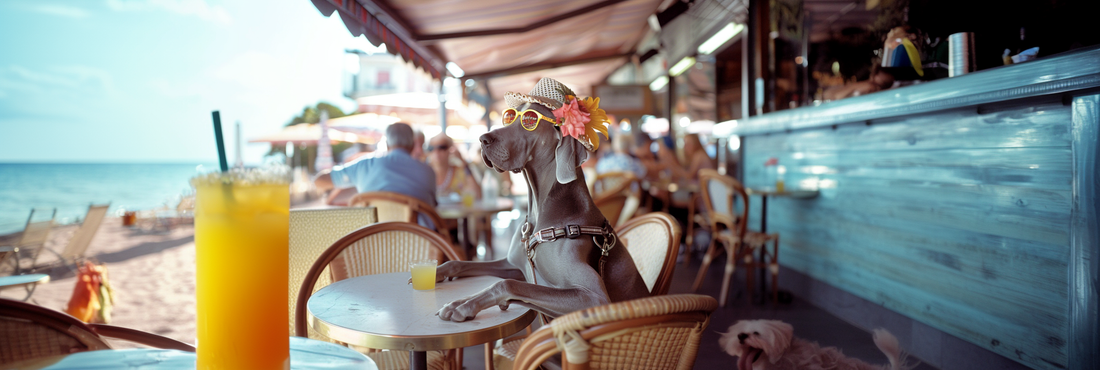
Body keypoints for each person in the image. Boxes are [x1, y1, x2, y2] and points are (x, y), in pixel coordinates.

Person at [313, 123, 436, 208]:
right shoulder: (428, 172)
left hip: (375, 243)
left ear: (387, 144)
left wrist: (353, 182)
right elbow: (434, 205)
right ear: (412, 145)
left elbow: (319, 181)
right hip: (419, 242)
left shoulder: (365, 165)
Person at [427, 133, 481, 202]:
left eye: (442, 147)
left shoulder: (459, 172)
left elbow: (478, 195)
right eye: (431, 148)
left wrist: (463, 162)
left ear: (450, 150)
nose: (436, 151)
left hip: (457, 212)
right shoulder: (424, 172)